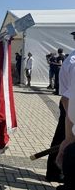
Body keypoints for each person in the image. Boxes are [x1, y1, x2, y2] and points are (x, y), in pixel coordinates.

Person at [46, 31, 75, 184]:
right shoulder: (73, 61)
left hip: (69, 103)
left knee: (62, 138)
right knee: (64, 139)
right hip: (69, 104)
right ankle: (55, 171)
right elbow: (68, 95)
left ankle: (55, 171)